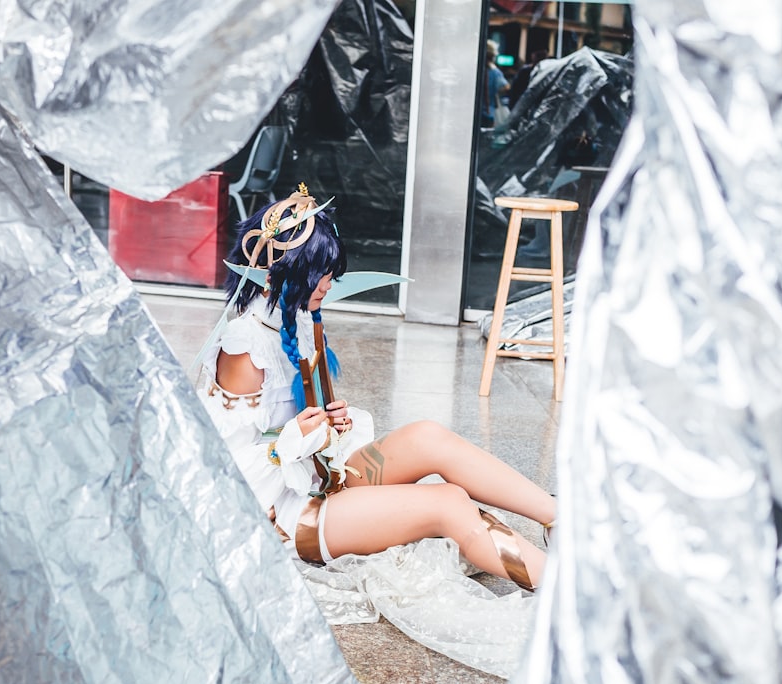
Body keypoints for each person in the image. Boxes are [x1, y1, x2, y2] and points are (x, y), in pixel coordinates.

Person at [200, 183, 556, 592]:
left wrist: (329, 423)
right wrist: (290, 440)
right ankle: (569, 591)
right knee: (448, 502)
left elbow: (303, 423)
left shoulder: (297, 318)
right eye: (322, 276)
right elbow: (220, 468)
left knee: (427, 436)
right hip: (284, 509)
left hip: (322, 473)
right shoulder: (245, 345)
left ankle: (560, 519)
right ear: (290, 271)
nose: (329, 286)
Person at [480, 40, 510, 129]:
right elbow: (506, 87)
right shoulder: (495, 72)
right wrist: (495, 91)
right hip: (489, 112)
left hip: (475, 112)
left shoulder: (476, 70)